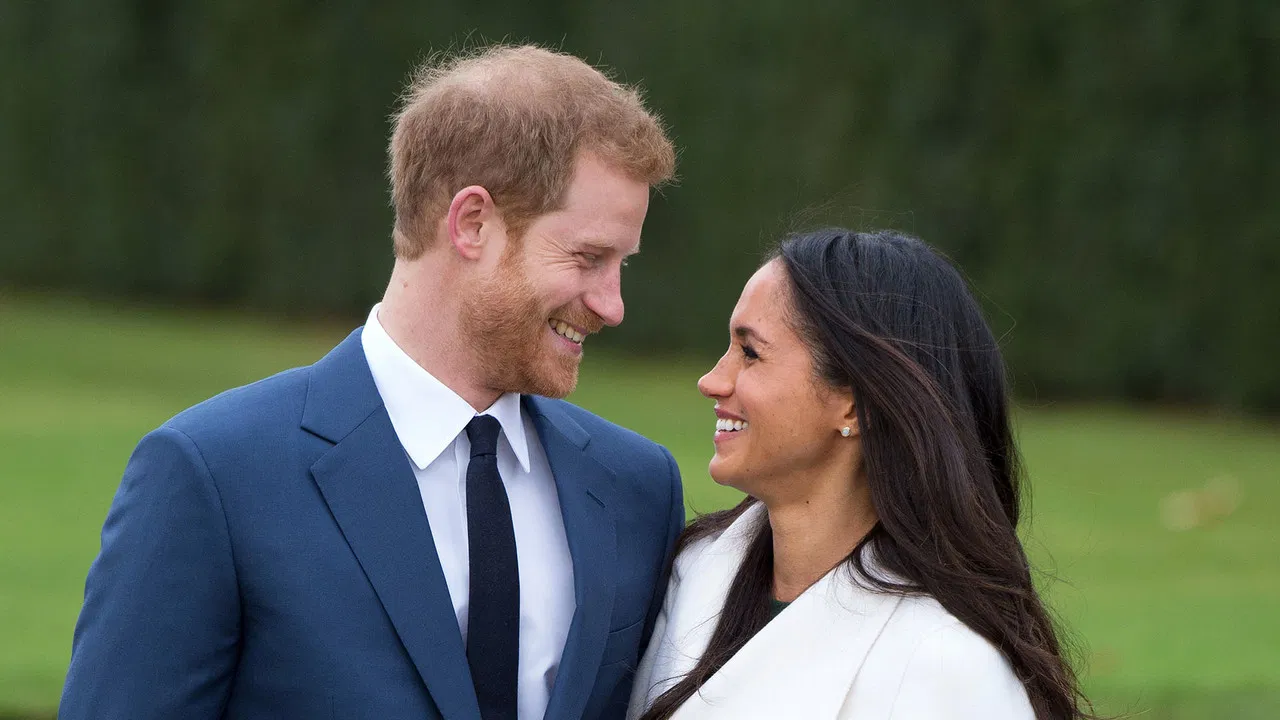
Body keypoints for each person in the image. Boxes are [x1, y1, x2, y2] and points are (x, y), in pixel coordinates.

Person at [61, 45, 683, 720]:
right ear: (472, 223)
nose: (612, 305)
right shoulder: (214, 477)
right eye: (589, 258)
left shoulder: (637, 490)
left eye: (622, 265)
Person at [628, 229, 1094, 719]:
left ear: (854, 406)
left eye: (750, 353)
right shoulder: (695, 571)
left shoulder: (947, 668)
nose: (711, 381)